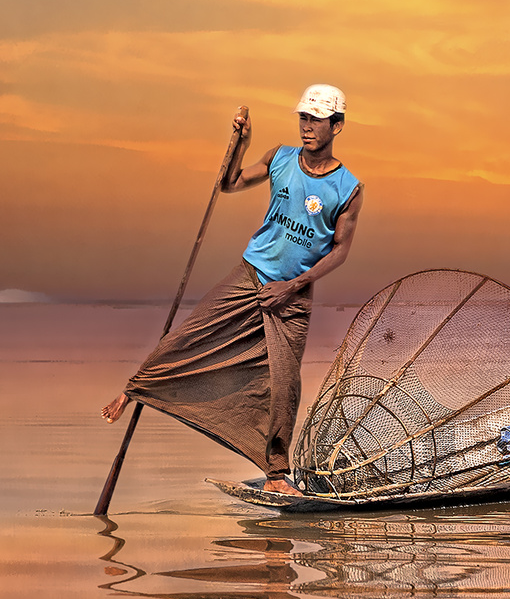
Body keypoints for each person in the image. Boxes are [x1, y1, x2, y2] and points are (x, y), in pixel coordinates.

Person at [101, 85, 364, 496]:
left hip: (291, 296)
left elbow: (339, 252)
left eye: (317, 120)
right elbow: (229, 183)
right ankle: (136, 389)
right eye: (303, 118)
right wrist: (241, 144)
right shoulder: (279, 158)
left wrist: (291, 286)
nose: (307, 127)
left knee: (284, 384)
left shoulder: (347, 187)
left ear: (338, 125)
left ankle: (277, 474)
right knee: (191, 335)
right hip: (249, 275)